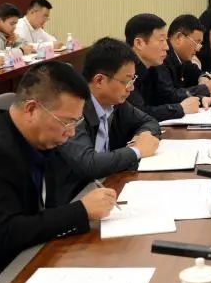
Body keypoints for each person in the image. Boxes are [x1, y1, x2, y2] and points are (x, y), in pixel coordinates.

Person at [0, 61, 118, 283]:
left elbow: (52, 199)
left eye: (76, 122)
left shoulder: (37, 139)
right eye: (66, 122)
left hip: (28, 258)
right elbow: (6, 234)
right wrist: (81, 210)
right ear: (31, 109)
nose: (71, 132)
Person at [60, 37, 160, 180]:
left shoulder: (115, 102)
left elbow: (149, 122)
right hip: (80, 190)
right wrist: (136, 150)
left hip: (106, 181)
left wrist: (141, 137)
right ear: (99, 80)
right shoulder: (73, 109)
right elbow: (88, 163)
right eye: (127, 81)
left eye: (133, 80)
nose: (131, 88)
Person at [124, 13, 211, 122]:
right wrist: (180, 108)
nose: (167, 47)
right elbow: (138, 114)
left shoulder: (151, 66)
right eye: (161, 40)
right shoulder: (124, 71)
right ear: (139, 43)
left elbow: (165, 97)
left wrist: (200, 100)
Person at [158, 14, 211, 98]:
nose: (198, 49)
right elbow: (169, 96)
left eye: (200, 43)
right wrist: (206, 88)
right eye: (196, 42)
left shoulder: (183, 58)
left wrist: (204, 77)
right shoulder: (161, 58)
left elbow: (198, 73)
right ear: (179, 38)